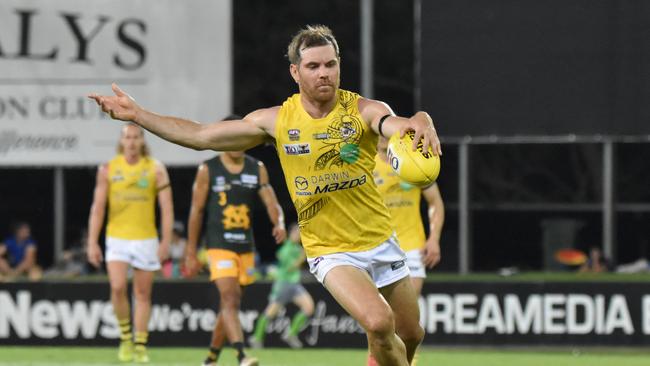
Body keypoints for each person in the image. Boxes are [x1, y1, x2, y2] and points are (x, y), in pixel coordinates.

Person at [89, 24, 441, 366]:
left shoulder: (362, 110)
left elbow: (395, 124)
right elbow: (201, 135)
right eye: (313, 66)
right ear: (295, 71)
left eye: (330, 64)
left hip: (380, 240)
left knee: (411, 335)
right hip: (330, 251)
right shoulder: (276, 122)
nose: (324, 73)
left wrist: (420, 118)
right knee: (379, 324)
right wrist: (139, 115)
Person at [183, 114, 286, 366]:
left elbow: (270, 199)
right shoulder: (208, 169)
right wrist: (190, 251)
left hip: (245, 247)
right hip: (218, 246)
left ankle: (210, 359)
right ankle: (241, 355)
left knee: (230, 304)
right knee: (229, 299)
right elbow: (196, 212)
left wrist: (279, 222)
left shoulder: (256, 169)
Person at [86, 123, 174, 363]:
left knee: (143, 293)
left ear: (142, 141)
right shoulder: (108, 169)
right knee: (116, 287)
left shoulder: (156, 169)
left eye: (137, 137)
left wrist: (166, 241)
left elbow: (166, 209)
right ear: (122, 141)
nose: (133, 142)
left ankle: (141, 345)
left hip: (146, 238)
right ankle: (126, 338)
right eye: (128, 137)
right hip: (117, 238)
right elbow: (98, 208)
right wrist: (92, 242)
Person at [370, 137, 445, 365]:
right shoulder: (366, 162)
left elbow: (435, 202)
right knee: (379, 321)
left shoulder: (412, 160)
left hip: (412, 247)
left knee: (407, 323)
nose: (383, 134)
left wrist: (434, 238)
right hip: (377, 247)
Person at [248, 223, 314, 349]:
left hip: (294, 285)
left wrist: (302, 255)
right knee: (270, 312)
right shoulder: (286, 249)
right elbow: (289, 268)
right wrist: (302, 258)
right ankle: (256, 338)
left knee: (309, 307)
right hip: (283, 284)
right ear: (291, 233)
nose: (299, 236)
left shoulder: (298, 248)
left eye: (300, 234)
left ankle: (291, 334)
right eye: (297, 233)